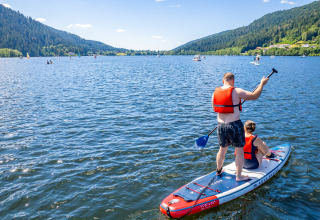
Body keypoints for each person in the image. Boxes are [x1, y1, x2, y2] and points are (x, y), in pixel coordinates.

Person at [212, 72, 269, 181]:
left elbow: (214, 107)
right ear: (233, 81)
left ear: (223, 81)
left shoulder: (215, 92)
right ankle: (239, 176)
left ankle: (219, 170)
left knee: (222, 149)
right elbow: (254, 96)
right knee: (239, 150)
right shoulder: (236, 91)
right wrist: (262, 84)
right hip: (234, 125)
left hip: (220, 125)